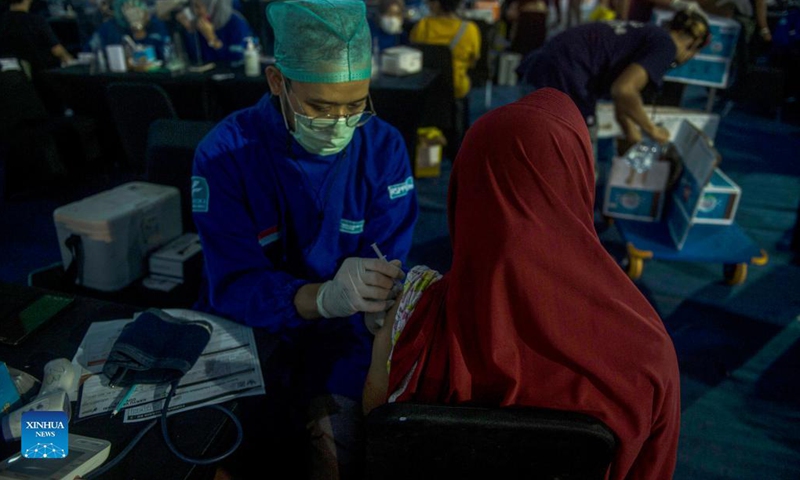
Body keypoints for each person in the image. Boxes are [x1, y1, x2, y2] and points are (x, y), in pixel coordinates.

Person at [363, 87, 681, 480]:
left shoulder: (411, 318)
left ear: (466, 189)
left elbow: (377, 441)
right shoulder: (648, 357)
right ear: (577, 178)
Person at [190, 0, 418, 478]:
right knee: (218, 459)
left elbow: (388, 261)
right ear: (278, 82)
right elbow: (233, 284)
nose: (339, 124)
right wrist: (320, 296)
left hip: (344, 339)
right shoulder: (226, 154)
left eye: (355, 104)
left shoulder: (382, 148)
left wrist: (380, 300)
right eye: (319, 106)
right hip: (253, 332)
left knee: (339, 456)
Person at [517, 11, 710, 152]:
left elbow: (622, 99)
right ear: (692, 46)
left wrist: (631, 132)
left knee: (535, 146)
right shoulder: (666, 46)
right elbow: (624, 90)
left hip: (542, 64)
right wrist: (651, 130)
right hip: (568, 75)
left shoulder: (649, 33)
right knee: (581, 163)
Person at [409, 0, 481, 101]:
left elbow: (414, 53)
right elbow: (473, 61)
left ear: (437, 3)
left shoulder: (422, 26)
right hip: (456, 88)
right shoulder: (470, 29)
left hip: (426, 86)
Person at [0, 0, 75, 75]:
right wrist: (71, 61)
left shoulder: (3, 22)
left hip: (8, 75)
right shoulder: (36, 21)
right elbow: (57, 50)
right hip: (41, 75)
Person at [86, 0, 170, 59]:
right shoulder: (109, 27)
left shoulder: (155, 25)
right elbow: (89, 52)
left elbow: (165, 55)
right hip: (118, 78)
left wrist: (140, 32)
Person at [177, 0, 252, 64]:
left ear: (211, 7)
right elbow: (196, 58)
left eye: (198, 7)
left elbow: (238, 58)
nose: (195, 12)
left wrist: (213, 39)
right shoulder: (201, 23)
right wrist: (190, 31)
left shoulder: (236, 22)